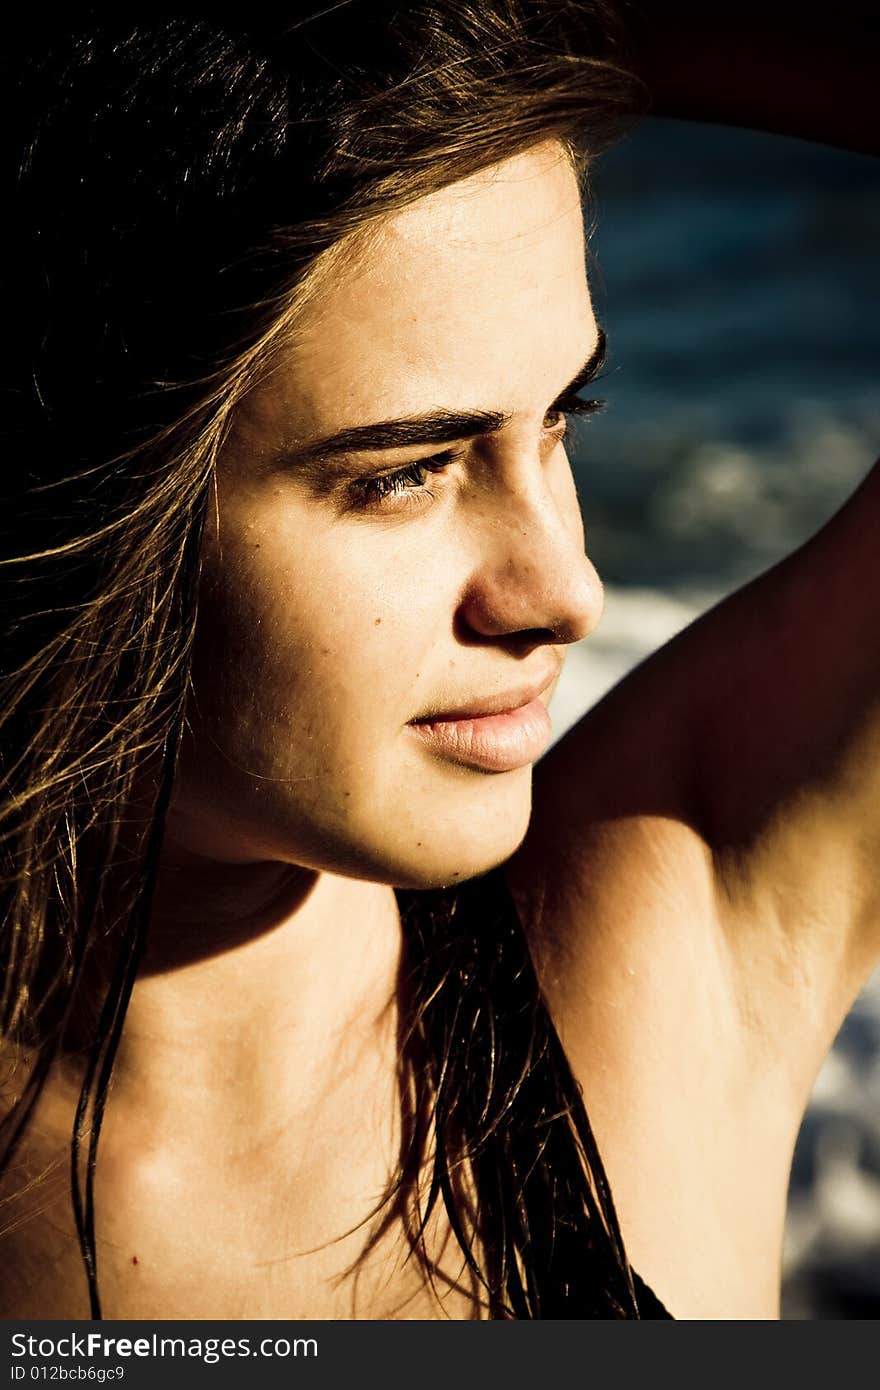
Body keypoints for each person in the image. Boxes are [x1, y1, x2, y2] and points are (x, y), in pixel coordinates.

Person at [0, 2, 876, 1321]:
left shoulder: (667, 936)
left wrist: (507, 19)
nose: (561, 593)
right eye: (406, 473)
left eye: (563, 421)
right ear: (89, 502)